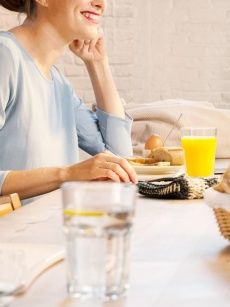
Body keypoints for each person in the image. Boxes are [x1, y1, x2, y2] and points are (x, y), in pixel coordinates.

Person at [0, 0, 137, 200]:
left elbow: (120, 160)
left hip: (54, 228)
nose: (100, 3)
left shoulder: (60, 84)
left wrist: (98, 63)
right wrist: (67, 175)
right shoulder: (5, 57)